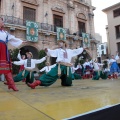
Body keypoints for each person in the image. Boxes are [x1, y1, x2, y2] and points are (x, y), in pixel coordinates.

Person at [0, 17, 25, 91]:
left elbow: (13, 39)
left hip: (3, 51)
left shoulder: (5, 33)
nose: (2, 22)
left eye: (2, 21)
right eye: (1, 21)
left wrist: (21, 41)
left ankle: (11, 85)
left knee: (6, 69)